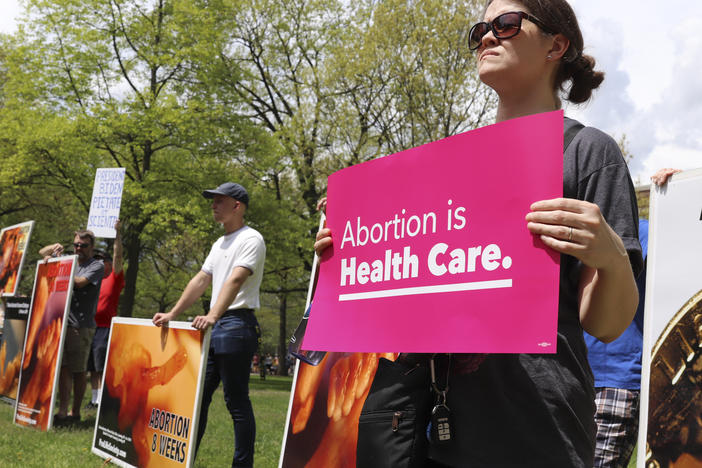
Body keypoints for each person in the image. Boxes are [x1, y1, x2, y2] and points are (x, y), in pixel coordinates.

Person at [314, 0, 643, 466]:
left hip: (537, 431)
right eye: (479, 30)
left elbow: (606, 325)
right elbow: (410, 299)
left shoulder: (588, 152)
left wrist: (610, 257)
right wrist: (352, 255)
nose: (487, 37)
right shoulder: (447, 166)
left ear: (557, 44)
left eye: (506, 24)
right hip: (432, 428)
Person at [152, 182, 265, 468]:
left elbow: (235, 280)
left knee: (236, 402)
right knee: (197, 400)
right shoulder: (219, 243)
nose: (212, 205)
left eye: (219, 200)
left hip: (237, 326)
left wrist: (213, 315)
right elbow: (201, 280)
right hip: (217, 328)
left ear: (237, 205)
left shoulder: (252, 239)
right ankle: (183, 460)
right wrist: (173, 313)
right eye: (212, 201)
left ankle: (242, 465)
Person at [585, 168, 680, 468]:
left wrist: (681, 196)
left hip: (616, 379)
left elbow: (686, 248)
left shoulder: (645, 231)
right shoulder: (575, 228)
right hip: (574, 373)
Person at [39, 229, 104, 425]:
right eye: (75, 244)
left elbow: (79, 283)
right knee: (64, 369)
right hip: (62, 323)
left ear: (91, 247)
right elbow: (42, 253)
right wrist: (54, 248)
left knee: (78, 372)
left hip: (81, 327)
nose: (78, 248)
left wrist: (60, 265)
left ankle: (75, 413)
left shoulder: (97, 265)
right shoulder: (70, 259)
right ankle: (62, 412)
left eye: (83, 246)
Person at [86, 219, 124, 409]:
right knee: (92, 367)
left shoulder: (114, 278)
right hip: (90, 327)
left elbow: (118, 257)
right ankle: (94, 400)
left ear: (109, 264)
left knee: (101, 366)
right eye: (97, 259)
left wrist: (117, 234)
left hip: (105, 328)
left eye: (102, 260)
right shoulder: (93, 280)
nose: (99, 263)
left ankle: (102, 401)